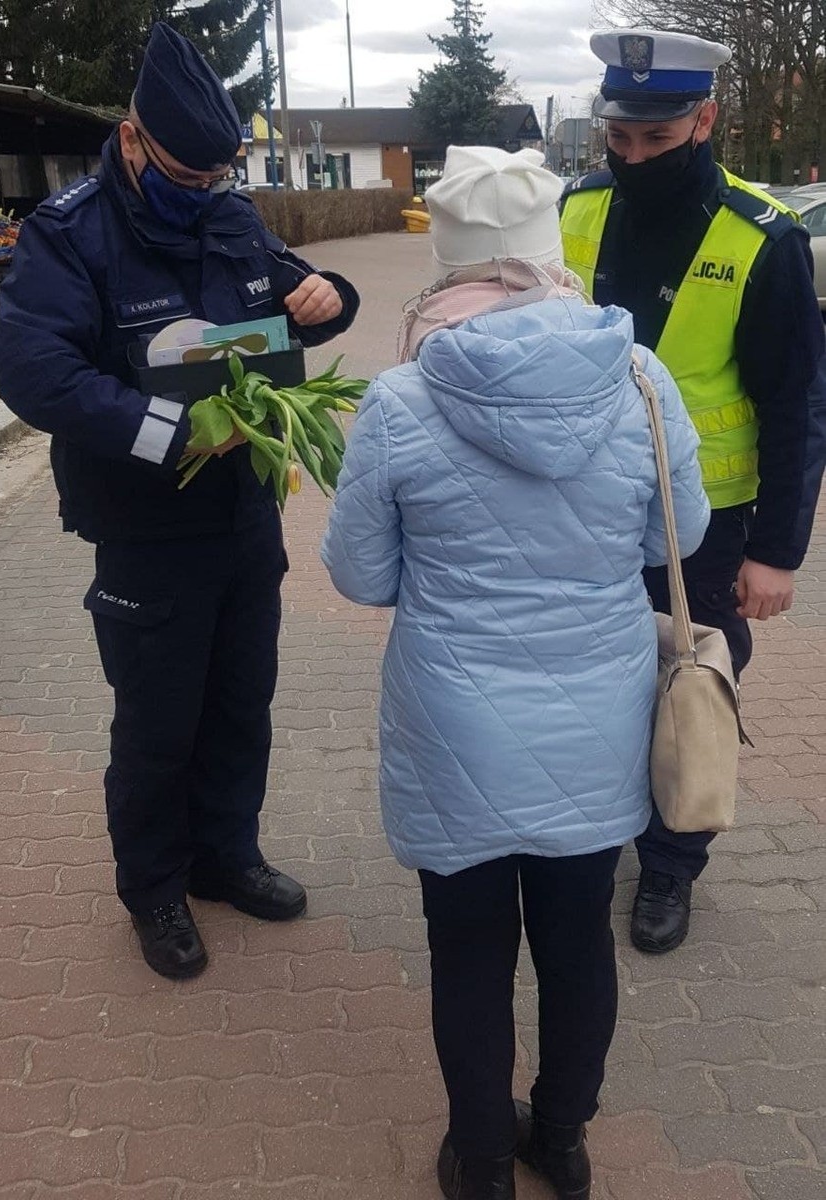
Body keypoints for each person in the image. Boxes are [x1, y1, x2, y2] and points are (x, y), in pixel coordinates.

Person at [322, 145, 710, 1200]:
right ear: (550, 252)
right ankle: (566, 1143)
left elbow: (359, 573)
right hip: (598, 708)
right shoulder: (640, 375)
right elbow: (677, 533)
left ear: (446, 262)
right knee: (580, 943)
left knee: (469, 953)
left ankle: (483, 1159)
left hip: (456, 720)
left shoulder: (401, 398)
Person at [0, 22, 359, 980]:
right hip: (145, 529)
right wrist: (169, 432)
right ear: (131, 139)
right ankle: (153, 888)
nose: (205, 193)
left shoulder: (230, 217)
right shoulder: (69, 235)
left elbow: (295, 294)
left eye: (219, 175)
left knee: (241, 704)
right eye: (187, 175)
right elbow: (35, 372)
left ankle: (226, 857)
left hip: (242, 516)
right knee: (158, 722)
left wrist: (332, 297)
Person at [561, 28, 826, 954]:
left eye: (657, 141)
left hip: (705, 528)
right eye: (618, 140)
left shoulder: (764, 240)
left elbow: (797, 403)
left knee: (693, 690)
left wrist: (778, 552)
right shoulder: (578, 209)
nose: (633, 159)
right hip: (584, 514)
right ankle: (601, 833)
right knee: (600, 687)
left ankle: (670, 868)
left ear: (704, 119)